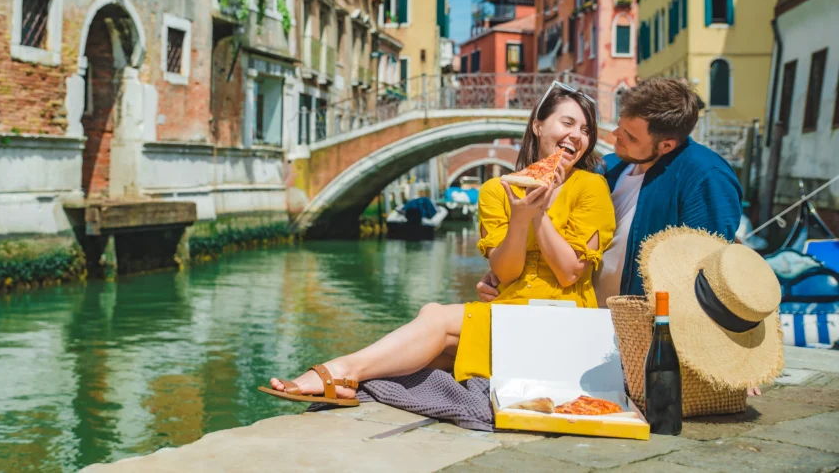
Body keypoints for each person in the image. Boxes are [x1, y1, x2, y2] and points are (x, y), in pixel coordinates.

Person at [258, 84, 616, 405]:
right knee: (423, 352)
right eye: (567, 123)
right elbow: (507, 273)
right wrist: (520, 217)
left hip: (565, 322)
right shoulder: (497, 190)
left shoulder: (591, 187)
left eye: (586, 130)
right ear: (538, 125)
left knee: (435, 318)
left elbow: (570, 273)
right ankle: (351, 380)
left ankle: (339, 370)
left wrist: (538, 214)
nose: (577, 135)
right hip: (510, 314)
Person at [477, 77, 742, 307]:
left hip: (646, 329)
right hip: (594, 317)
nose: (615, 134)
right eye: (619, 124)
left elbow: (705, 268)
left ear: (666, 146)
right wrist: (500, 276)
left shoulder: (707, 176)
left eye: (630, 135)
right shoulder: (609, 166)